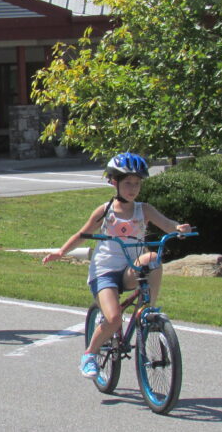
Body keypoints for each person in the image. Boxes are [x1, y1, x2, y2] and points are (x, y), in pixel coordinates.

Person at [42, 152, 192, 379]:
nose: (133, 188)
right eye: (128, 183)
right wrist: (61, 251)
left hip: (130, 269)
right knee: (113, 319)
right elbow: (82, 234)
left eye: (137, 183)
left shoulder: (144, 209)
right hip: (105, 271)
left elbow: (168, 224)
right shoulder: (105, 211)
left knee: (153, 258)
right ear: (114, 182)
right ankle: (90, 355)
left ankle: (149, 310)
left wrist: (179, 229)